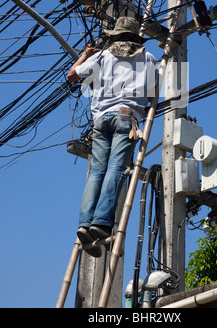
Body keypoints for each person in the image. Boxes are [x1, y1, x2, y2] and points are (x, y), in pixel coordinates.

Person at [67, 16, 157, 257]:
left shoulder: (102, 56)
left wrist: (85, 54)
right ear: (136, 38)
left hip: (101, 120)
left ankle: (85, 224)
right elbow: (151, 97)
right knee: (115, 169)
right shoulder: (147, 58)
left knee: (96, 172)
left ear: (115, 36)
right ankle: (101, 223)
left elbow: (72, 75)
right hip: (127, 118)